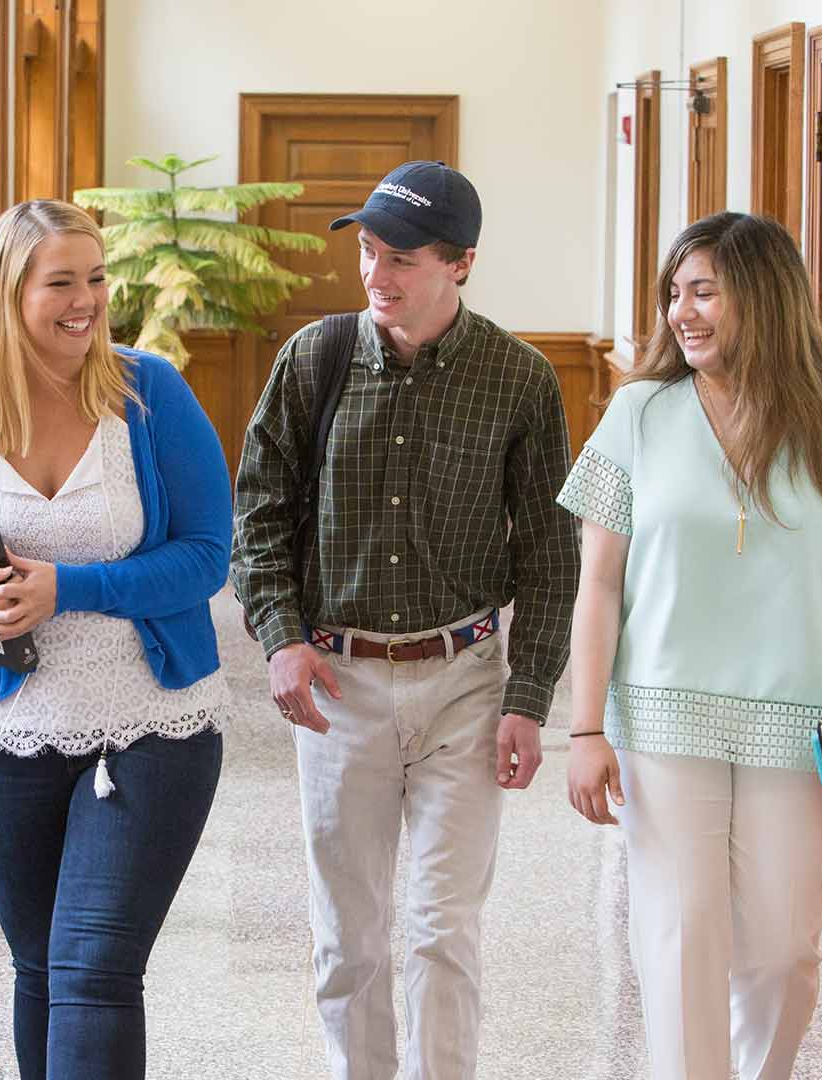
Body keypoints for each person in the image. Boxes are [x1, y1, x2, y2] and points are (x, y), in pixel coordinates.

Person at [230, 161, 581, 1080]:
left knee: (438, 929)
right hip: (340, 683)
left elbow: (549, 551)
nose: (377, 277)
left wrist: (530, 699)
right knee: (351, 939)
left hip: (465, 680)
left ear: (461, 264)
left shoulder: (520, 379)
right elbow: (258, 512)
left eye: (403, 259)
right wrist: (281, 639)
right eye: (370, 252)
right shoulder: (315, 358)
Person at [0, 199, 230, 1080]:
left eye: (98, 278)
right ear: (8, 293)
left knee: (96, 970)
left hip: (151, 724)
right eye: (62, 282)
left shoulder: (151, 397)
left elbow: (206, 558)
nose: (89, 301)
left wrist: (69, 587)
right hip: (1, 740)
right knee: (41, 970)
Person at [559, 211, 822, 1080]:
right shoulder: (640, 413)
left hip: (797, 720)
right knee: (681, 943)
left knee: (786, 951)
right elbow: (599, 583)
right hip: (662, 712)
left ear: (761, 297)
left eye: (703, 291)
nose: (682, 313)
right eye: (674, 294)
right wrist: (584, 728)